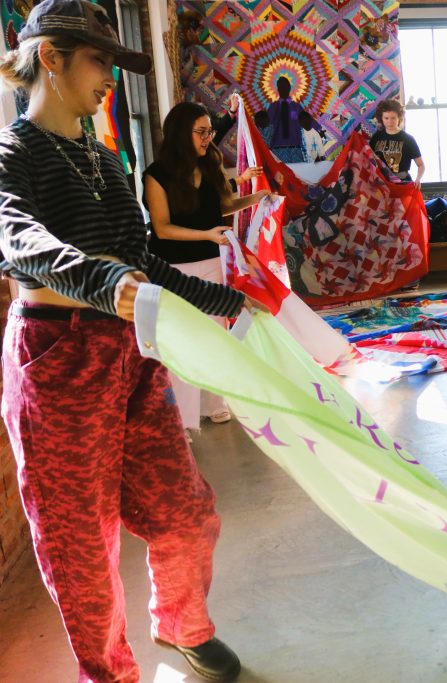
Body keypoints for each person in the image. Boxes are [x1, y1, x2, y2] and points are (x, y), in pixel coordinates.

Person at [0, 2, 251, 680]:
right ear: (50, 57)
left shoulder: (107, 162)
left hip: (132, 354)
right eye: (98, 60)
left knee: (186, 513)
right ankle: (108, 672)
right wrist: (106, 281)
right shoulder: (11, 155)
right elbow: (19, 241)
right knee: (81, 549)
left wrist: (227, 301)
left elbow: (147, 261)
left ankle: (181, 624)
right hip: (57, 361)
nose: (110, 76)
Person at [143, 101, 270, 430]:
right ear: (179, 134)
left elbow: (225, 205)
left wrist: (255, 200)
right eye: (201, 132)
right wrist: (206, 235)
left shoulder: (211, 163)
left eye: (209, 131)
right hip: (172, 269)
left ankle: (214, 401)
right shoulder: (156, 175)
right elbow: (162, 228)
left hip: (213, 262)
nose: (206, 138)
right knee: (182, 339)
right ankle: (180, 419)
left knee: (215, 332)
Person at [368, 98, 424, 185]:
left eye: (393, 118)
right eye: (386, 118)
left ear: (399, 118)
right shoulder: (376, 137)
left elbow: (421, 165)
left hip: (402, 183)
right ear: (381, 119)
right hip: (381, 184)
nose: (390, 122)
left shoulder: (408, 139)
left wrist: (418, 179)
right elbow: (368, 159)